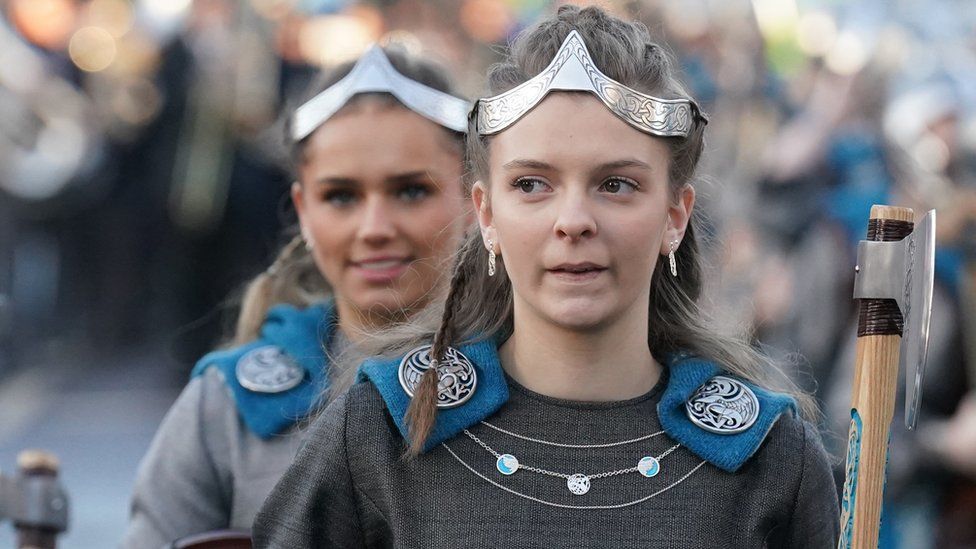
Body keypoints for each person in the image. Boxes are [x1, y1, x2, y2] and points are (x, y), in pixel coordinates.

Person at [253, 6, 840, 548]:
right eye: (532, 184)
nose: (574, 221)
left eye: (617, 184)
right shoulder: (384, 429)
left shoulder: (768, 456)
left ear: (674, 216)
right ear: (485, 215)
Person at [121, 45, 470, 548]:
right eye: (341, 196)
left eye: (411, 190)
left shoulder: (538, 379)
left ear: (474, 195)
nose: (374, 228)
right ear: (304, 211)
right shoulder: (230, 410)